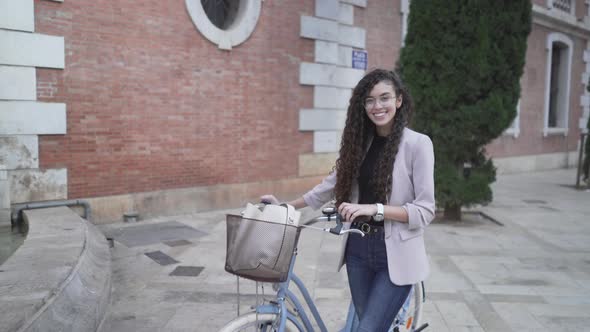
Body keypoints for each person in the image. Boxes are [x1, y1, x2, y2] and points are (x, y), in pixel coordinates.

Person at [261, 68, 435, 332]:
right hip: (358, 250)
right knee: (368, 325)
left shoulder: (418, 145)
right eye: (370, 100)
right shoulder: (359, 144)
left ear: (399, 100)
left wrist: (375, 209)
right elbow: (327, 187)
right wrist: (286, 206)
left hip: (396, 255)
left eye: (384, 98)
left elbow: (425, 211)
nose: (377, 106)